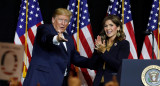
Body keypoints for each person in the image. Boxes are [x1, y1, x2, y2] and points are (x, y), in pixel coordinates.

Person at [23, 8, 91, 86]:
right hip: (42, 80)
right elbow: (46, 38)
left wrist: (97, 59)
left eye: (66, 21)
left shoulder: (68, 39)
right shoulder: (44, 28)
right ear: (53, 20)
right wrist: (56, 39)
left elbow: (76, 58)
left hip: (61, 82)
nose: (63, 23)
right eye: (60, 20)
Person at [92, 15, 130, 86]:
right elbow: (93, 64)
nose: (108, 28)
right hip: (98, 82)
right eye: (105, 26)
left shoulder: (123, 44)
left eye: (111, 25)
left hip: (113, 82)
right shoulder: (102, 43)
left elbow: (119, 66)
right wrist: (97, 52)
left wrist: (104, 52)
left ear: (118, 27)